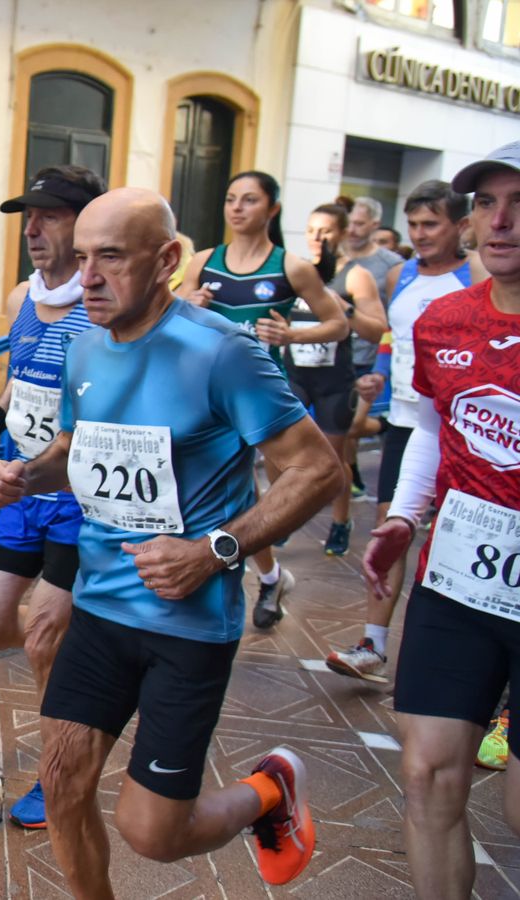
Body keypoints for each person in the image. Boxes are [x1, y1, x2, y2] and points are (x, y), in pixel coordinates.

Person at [0, 187, 343, 895]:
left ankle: (270, 791)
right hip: (100, 606)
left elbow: (316, 468)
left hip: (188, 624)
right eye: (82, 258)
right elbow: (72, 447)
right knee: (61, 784)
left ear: (167, 259)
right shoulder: (84, 351)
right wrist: (25, 474)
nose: (86, 277)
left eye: (110, 257)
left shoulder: (220, 353)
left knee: (154, 833)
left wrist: (216, 552)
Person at [359, 142, 520, 900]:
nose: (502, 221)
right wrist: (400, 518)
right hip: (457, 579)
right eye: (487, 203)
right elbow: (429, 424)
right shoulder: (445, 320)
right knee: (427, 775)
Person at [0, 165, 105, 829]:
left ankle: (58, 776)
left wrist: (39, 467)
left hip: (79, 496)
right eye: (27, 217)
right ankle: (87, 645)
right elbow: (21, 379)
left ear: (88, 221)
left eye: (51, 215)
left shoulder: (101, 305)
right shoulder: (25, 294)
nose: (34, 230)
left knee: (44, 639)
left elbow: (92, 418)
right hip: (22, 487)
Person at [327, 180, 487, 685]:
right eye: (413, 224)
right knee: (390, 528)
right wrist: (378, 374)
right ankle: (372, 644)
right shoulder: (402, 274)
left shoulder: (475, 273)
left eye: (431, 224)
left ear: (460, 226)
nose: (419, 234)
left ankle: (483, 676)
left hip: (466, 432)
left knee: (464, 541)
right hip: (407, 422)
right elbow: (396, 337)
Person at [178, 171, 348, 630]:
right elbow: (169, 312)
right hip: (203, 394)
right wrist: (185, 301)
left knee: (243, 493)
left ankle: (226, 578)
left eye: (249, 200)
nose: (236, 208)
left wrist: (292, 333)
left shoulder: (290, 267)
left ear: (271, 209)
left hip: (259, 398)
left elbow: (338, 324)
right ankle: (266, 577)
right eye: (231, 198)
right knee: (232, 491)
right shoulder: (205, 261)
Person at [296, 203, 387, 556]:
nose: (317, 239)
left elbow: (376, 329)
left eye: (326, 231)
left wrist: (343, 308)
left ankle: (340, 520)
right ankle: (280, 519)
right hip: (297, 374)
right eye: (310, 231)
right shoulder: (297, 271)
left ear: (343, 233)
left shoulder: (354, 275)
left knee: (335, 460)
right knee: (278, 453)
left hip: (335, 380)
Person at [339, 196, 404, 498]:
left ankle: (387, 426)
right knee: (341, 431)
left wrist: (384, 364)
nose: (352, 229)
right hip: (336, 359)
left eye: (360, 224)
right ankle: (352, 482)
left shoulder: (390, 265)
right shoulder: (333, 258)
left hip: (369, 356)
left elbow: (395, 319)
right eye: (350, 222)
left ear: (375, 225)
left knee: (350, 428)